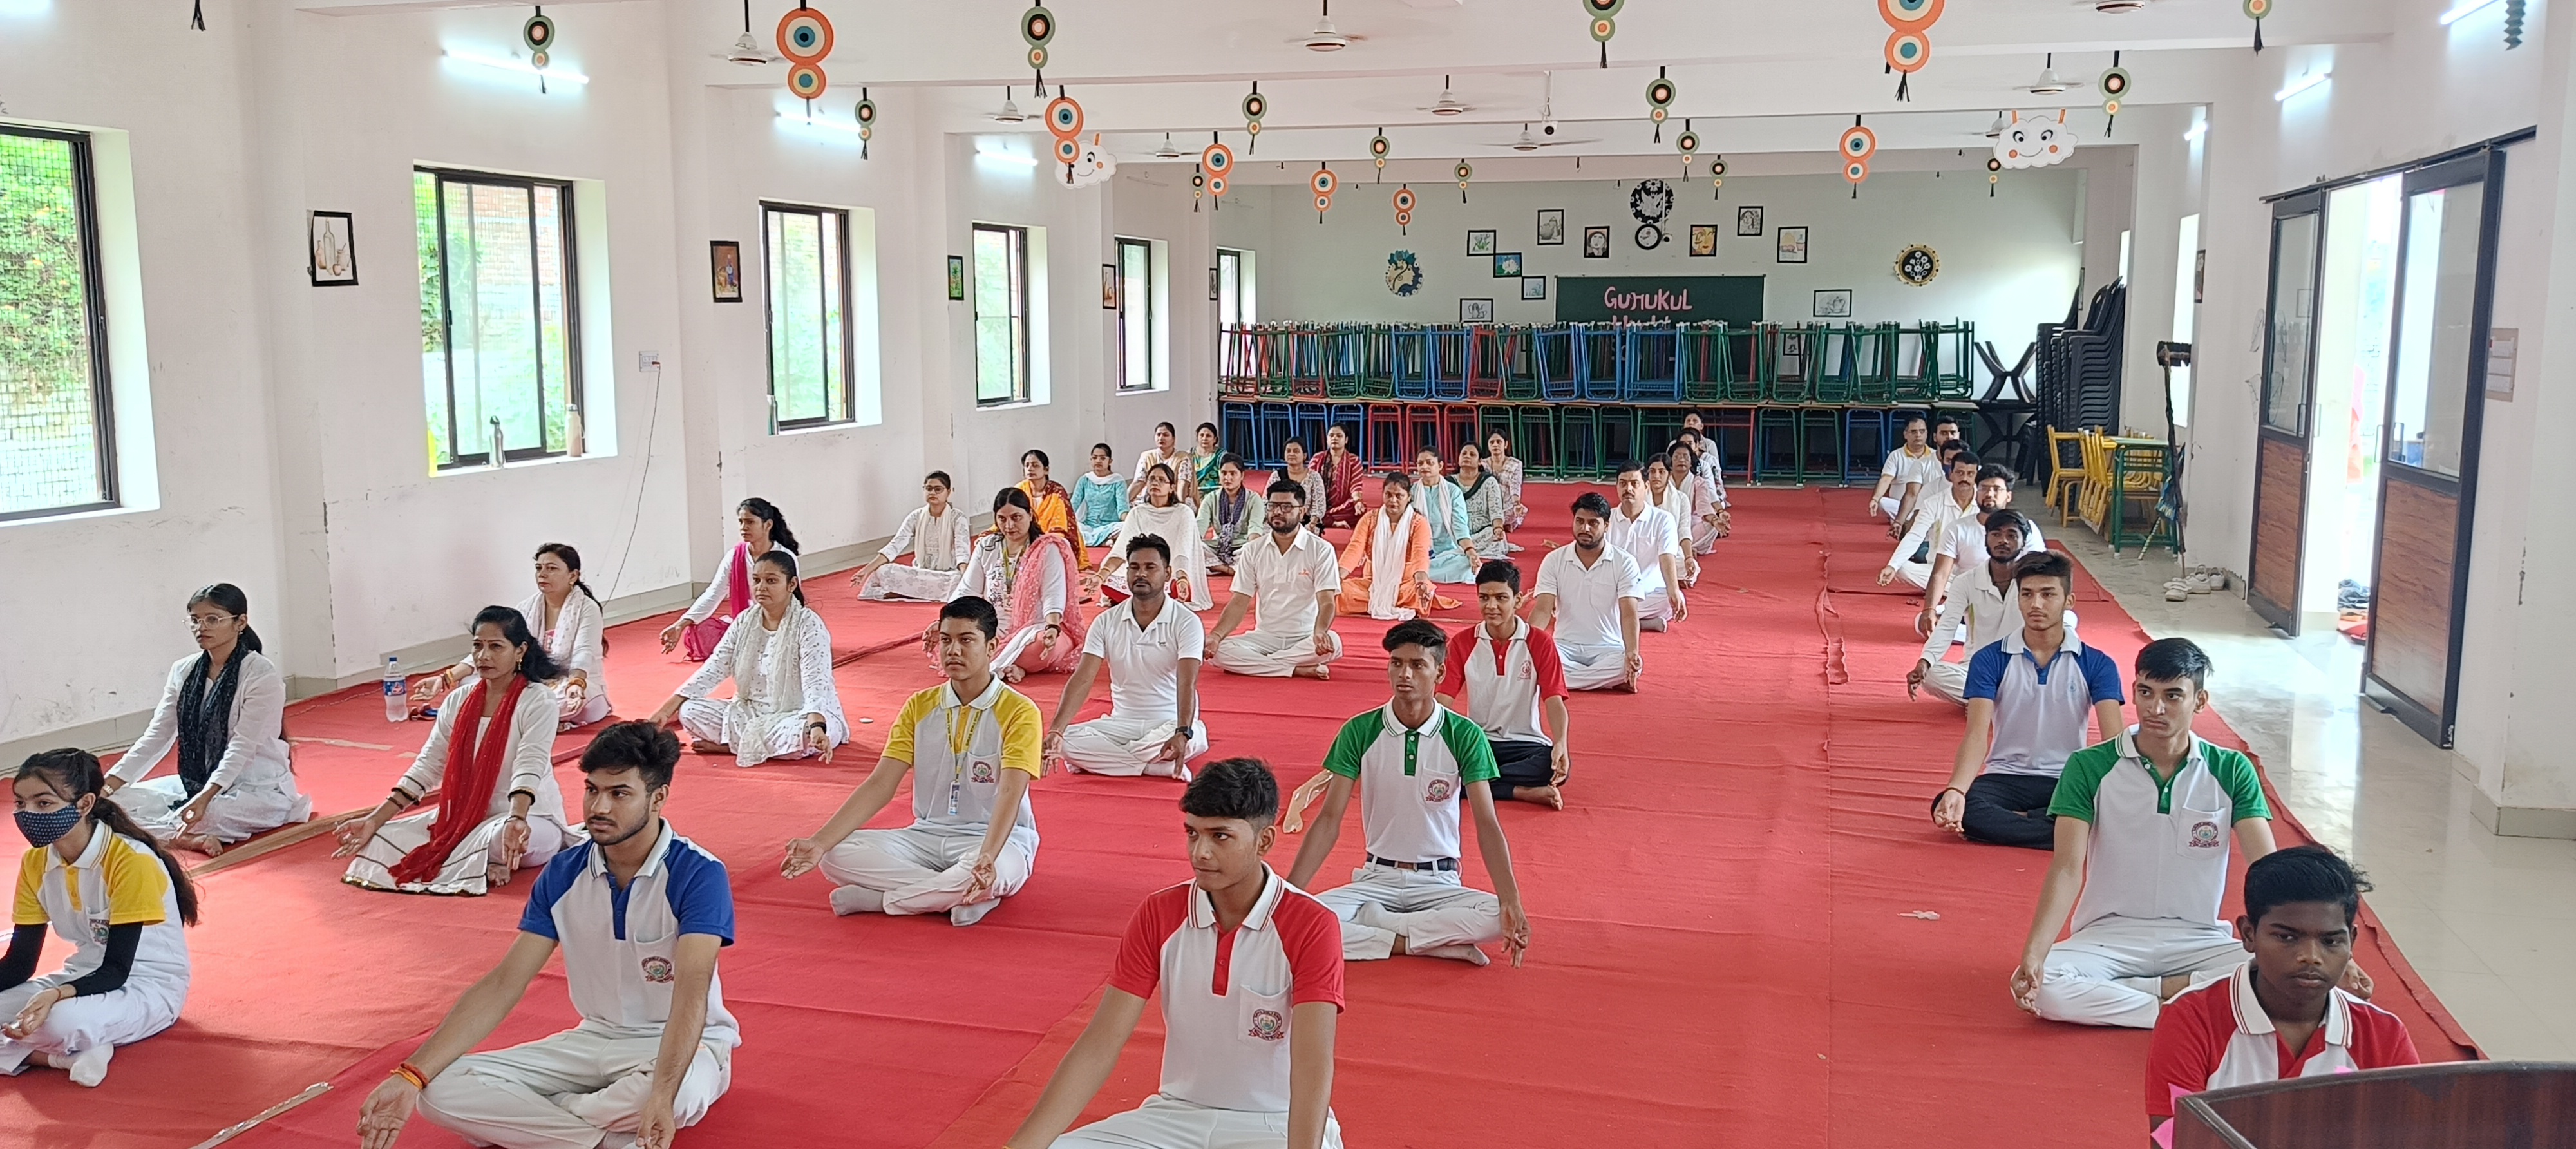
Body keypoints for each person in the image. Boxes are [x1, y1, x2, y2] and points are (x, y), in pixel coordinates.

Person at [355, 723, 739, 1149]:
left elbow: (691, 994)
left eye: (619, 794)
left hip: (680, 1045)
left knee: (679, 1095)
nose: (599, 807)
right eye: (592, 790)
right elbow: (504, 984)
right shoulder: (563, 873)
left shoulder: (699, 873)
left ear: (658, 798)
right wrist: (410, 1075)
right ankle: (604, 1141)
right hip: (593, 1039)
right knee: (439, 1090)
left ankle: (540, 1119)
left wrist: (662, 1096)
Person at [2012, 639, 2356, 1029]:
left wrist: (2336, 952)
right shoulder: (2088, 766)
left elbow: (2269, 870)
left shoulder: (2231, 769)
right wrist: (2035, 954)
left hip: (2200, 938)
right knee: (2047, 986)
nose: (2155, 708)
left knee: (2294, 978)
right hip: (2108, 936)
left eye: (2172, 696)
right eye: (2146, 692)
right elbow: (2066, 868)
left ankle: (2147, 992)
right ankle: (2181, 1008)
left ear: (2200, 701)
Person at [1003, 760, 1345, 1149]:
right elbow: (1100, 1044)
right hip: (1174, 1117)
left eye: (1220, 836)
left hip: (1273, 1124)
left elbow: (1313, 1063)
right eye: (1192, 834)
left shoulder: (1312, 924)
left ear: (1264, 841)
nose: (1201, 852)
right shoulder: (1160, 913)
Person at [784, 597, 1043, 927]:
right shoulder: (919, 706)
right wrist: (819, 842)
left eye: (966, 640)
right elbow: (881, 784)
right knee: (834, 854)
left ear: (991, 647)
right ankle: (964, 896)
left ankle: (884, 900)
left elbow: (1010, 791)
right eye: (946, 640)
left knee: (996, 870)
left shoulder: (1020, 711)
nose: (953, 651)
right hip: (925, 836)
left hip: (996, 840)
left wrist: (988, 856)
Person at [1285, 621, 1531, 967]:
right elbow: (1328, 820)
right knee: (1300, 923)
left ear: (1439, 672)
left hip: (1439, 882)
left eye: (1417, 665)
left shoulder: (1465, 735)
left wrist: (1511, 900)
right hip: (1376, 879)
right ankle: (1425, 942)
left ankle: (1382, 929)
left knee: (1495, 915)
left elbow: (1487, 824)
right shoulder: (1359, 730)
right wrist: (1290, 895)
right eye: (1396, 663)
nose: (1405, 674)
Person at [2145, 847, 2418, 1142]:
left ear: (2351, 941)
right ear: (2249, 934)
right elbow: (2174, 1141)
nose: (2310, 956)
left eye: (2330, 941)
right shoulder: (2191, 1019)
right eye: (2287, 937)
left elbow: (2415, 1137)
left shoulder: (2384, 1035)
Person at [337, 607, 576, 896]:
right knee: (384, 837)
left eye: (496, 647)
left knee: (504, 838)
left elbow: (530, 764)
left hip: (528, 817)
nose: (483, 656)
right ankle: (476, 859)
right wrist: (374, 820)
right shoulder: (459, 700)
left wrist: (516, 818)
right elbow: (428, 765)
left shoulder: (538, 700)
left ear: (520, 651)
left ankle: (484, 856)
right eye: (477, 646)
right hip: (464, 818)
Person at [0, 748, 197, 1087]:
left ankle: (60, 1047)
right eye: (21, 803)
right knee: (33, 1016)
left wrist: (56, 995)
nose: (28, 814)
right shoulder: (36, 862)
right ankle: (64, 1057)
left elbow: (117, 969)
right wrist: (56, 993)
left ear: (84, 804)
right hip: (83, 975)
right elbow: (20, 963)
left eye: (43, 803)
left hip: (145, 985)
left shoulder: (130, 862)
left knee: (57, 1023)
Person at [1929, 552, 2123, 850]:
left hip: (2067, 778)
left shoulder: (2097, 663)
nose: (2036, 605)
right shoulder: (1990, 659)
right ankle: (2065, 830)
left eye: (2048, 594)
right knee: (1953, 804)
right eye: (2027, 594)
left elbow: (2113, 743)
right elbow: (1976, 735)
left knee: (2106, 809)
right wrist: (1956, 789)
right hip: (2005, 777)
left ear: (2069, 601)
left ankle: (2020, 825)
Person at [104, 583, 313, 854]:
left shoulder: (261, 674)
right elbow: (158, 735)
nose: (201, 628)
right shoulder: (184, 670)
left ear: (240, 622)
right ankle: (179, 837)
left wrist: (205, 798)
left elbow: (242, 746)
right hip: (196, 782)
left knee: (209, 814)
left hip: (255, 788)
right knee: (111, 805)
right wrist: (107, 786)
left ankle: (172, 833)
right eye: (195, 620)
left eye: (213, 619)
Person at [647, 550, 847, 768]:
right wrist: (665, 711)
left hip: (798, 713)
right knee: (690, 712)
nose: (761, 587)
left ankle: (733, 746)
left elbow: (816, 681)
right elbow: (715, 666)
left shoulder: (808, 624)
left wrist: (816, 725)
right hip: (750, 711)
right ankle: (752, 746)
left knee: (804, 737)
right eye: (756, 580)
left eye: (771, 581)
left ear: (791, 585)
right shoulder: (745, 621)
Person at [1047, 535, 1209, 781]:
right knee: (1065, 741)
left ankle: (1111, 761)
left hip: (1169, 722)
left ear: (1167, 574)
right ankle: (1151, 767)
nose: (1141, 574)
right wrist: (1056, 731)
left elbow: (1187, 682)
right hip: (1122, 722)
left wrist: (1183, 731)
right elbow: (1083, 679)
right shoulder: (1105, 622)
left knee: (1192, 738)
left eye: (1150, 567)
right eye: (1134, 567)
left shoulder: (1187, 622)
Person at [415, 545, 614, 730]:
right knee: (469, 684)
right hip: (533, 680)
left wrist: (576, 684)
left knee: (576, 702)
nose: (543, 574)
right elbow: (493, 646)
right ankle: (529, 717)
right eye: (539, 568)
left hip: (574, 681)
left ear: (573, 575)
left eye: (552, 568)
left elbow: (583, 651)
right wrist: (445, 679)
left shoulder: (587, 609)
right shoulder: (527, 608)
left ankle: (513, 714)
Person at [1439, 561, 1571, 810]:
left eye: (1501, 598)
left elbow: (1554, 699)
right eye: (1484, 598)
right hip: (1478, 741)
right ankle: (1519, 791)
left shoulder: (1539, 642)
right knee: (1435, 764)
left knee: (1550, 765)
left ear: (1518, 600)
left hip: (1526, 743)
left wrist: (1561, 743)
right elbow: (1443, 699)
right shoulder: (1463, 642)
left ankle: (1474, 780)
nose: (1491, 606)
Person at [1911, 511, 2054, 707]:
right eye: (1996, 534)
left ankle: (1984, 702)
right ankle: (1996, 702)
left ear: (2023, 543)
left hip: (2025, 669)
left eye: (2012, 535)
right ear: (1986, 539)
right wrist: (1925, 661)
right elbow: (1947, 626)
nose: (2003, 541)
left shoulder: (2035, 582)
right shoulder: (1966, 581)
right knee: (1931, 675)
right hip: (1979, 667)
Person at [947, 488, 1090, 681]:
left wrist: (1052, 627)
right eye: (1002, 519)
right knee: (959, 639)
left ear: (1030, 515)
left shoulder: (1046, 548)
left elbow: (1053, 594)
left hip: (1038, 627)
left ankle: (1008, 664)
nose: (1009, 526)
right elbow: (968, 590)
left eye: (1016, 517)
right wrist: (946, 619)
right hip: (995, 627)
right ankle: (1016, 666)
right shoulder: (987, 546)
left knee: (1046, 646)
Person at [1209, 482, 1343, 681]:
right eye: (1273, 506)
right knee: (1219, 651)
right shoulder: (1253, 549)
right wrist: (1216, 636)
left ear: (1302, 512)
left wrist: (1320, 631)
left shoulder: (1321, 549)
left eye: (1287, 507)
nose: (1278, 512)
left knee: (1334, 643)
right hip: (1264, 637)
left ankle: (1261, 665)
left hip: (1306, 636)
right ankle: (1295, 669)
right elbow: (1239, 601)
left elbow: (1327, 601)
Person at [1529, 493, 1645, 692]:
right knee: (1533, 660)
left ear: (1607, 526)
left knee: (1626, 665)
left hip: (1608, 649)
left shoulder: (1624, 562)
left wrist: (1632, 652)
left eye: (1593, 523)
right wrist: (1526, 644)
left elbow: (1629, 613)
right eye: (1580, 521)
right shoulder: (1554, 560)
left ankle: (1557, 680)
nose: (1585, 529)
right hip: (1564, 646)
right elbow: (1542, 610)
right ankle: (1604, 681)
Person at [1918, 464, 2049, 638]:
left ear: (2008, 496)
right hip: (1973, 602)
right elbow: (1940, 574)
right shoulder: (1957, 528)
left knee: (2068, 619)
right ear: (1976, 493)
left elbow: (2039, 571)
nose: (1989, 494)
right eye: (1984, 489)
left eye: (1996, 489)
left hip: (2014, 602)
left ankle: (1990, 635)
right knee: (1924, 622)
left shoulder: (2026, 528)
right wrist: (1929, 609)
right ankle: (1996, 636)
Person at [661, 497, 798, 661]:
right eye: (741, 522)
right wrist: (680, 625)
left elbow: (793, 598)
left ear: (768, 525)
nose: (743, 528)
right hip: (747, 622)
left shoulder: (784, 557)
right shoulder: (735, 556)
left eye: (750, 522)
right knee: (701, 629)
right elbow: (714, 593)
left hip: (778, 622)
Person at [1335, 473, 1457, 620]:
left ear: (1409, 497)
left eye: (1399, 496)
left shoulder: (1418, 523)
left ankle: (1372, 604)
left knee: (1418, 593)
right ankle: (1384, 602)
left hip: (1406, 583)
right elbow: (1355, 549)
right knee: (1342, 591)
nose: (1393, 500)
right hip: (1373, 582)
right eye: (1389, 495)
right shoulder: (1369, 519)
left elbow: (1420, 555)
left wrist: (1422, 583)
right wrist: (1337, 578)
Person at [1093, 464, 1213, 611]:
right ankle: (1152, 599)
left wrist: (1182, 577)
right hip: (1142, 571)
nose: (1156, 483)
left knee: (1178, 587)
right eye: (1152, 479)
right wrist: (1101, 576)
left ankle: (1145, 598)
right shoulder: (1138, 512)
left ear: (1172, 488)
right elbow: (1121, 550)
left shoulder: (1184, 513)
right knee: (1108, 581)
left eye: (1162, 480)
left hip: (1171, 572)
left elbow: (1184, 551)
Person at [855, 471, 974, 602]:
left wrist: (966, 577)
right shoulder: (916, 516)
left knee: (956, 580)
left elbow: (962, 551)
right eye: (929, 489)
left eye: (938, 489)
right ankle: (919, 593)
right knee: (883, 570)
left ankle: (906, 592)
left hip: (947, 574)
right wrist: (866, 571)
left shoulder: (957, 518)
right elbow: (895, 545)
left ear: (948, 492)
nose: (933, 493)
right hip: (920, 573)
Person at [1879, 453, 1982, 591]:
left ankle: (1951, 591)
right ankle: (1963, 593)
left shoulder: (1984, 504)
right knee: (1901, 568)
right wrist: (1893, 565)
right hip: (1937, 569)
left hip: (1973, 571)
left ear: (1977, 476)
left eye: (1970, 474)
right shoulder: (1933, 503)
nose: (1965, 479)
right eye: (1960, 473)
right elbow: (1915, 535)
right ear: (1951, 474)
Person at [1606, 462, 1687, 631]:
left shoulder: (1663, 519)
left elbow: (1667, 556)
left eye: (1634, 484)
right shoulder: (1607, 519)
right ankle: (1640, 623)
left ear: (1646, 487)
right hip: (1613, 593)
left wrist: (1673, 589)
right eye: (1623, 484)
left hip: (1647, 594)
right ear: (1617, 487)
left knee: (1672, 599)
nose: (1628, 489)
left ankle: (1614, 622)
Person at [1020, 449, 1097, 574]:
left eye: (1035, 465)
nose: (1030, 469)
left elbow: (1060, 527)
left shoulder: (1057, 492)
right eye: (1027, 465)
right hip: (1025, 536)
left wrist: (1042, 541)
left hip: (1052, 537)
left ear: (1046, 470)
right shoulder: (1019, 490)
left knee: (1056, 545)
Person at [1412, 450, 1479, 584]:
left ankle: (1419, 573)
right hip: (1418, 552)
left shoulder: (1453, 492)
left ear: (1440, 465)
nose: (1424, 467)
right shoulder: (1410, 492)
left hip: (1447, 553)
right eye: (1420, 463)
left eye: (1429, 463)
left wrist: (1471, 552)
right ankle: (1420, 571)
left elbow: (1460, 527)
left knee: (1465, 563)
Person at [1871, 415, 1939, 534]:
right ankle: (1909, 519)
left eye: (1922, 431)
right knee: (1882, 502)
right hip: (1901, 506)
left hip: (1926, 507)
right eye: (1914, 432)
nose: (1918, 435)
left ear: (1927, 434)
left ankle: (1906, 520)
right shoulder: (1896, 456)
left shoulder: (1936, 456)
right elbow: (1886, 479)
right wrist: (1875, 499)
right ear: (1905, 434)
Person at [1197, 455, 1260, 574]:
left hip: (1242, 547)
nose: (1228, 478)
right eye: (1224, 473)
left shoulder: (1253, 499)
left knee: (1256, 549)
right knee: (1195, 546)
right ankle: (1226, 569)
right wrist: (1193, 543)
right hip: (1218, 546)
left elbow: (1255, 528)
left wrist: (1253, 549)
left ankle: (1215, 566)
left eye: (1233, 474)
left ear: (1242, 475)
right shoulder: (1211, 498)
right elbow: (1200, 525)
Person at [1667, 440, 1728, 556]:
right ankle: (1684, 549)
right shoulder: (1664, 481)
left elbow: (1704, 506)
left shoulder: (1698, 482)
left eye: (1686, 457)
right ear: (1670, 462)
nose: (1682, 460)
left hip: (1691, 526)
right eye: (1677, 457)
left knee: (1712, 526)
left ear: (1691, 463)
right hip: (1667, 526)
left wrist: (1715, 520)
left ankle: (1686, 548)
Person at [1644, 455, 1697, 587]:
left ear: (1669, 474)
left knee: (1689, 566)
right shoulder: (1640, 497)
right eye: (1652, 471)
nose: (1656, 476)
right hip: (1643, 549)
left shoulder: (1681, 499)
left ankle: (1666, 576)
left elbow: (1684, 530)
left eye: (1661, 472)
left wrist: (1689, 557)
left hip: (1669, 550)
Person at [1457, 442, 1516, 560]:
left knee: (1493, 535)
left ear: (1480, 461)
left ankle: (1465, 549)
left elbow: (1496, 510)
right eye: (1464, 454)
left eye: (1472, 455)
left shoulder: (1488, 481)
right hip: (1458, 531)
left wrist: (1498, 528)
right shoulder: (1448, 483)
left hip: (1483, 533)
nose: (1467, 456)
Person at [1072, 444, 1132, 548]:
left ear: (1110, 461)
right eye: (1095, 458)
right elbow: (1073, 505)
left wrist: (1129, 522)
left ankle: (1097, 541)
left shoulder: (1118, 481)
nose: (1098, 461)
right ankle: (1104, 541)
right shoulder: (1085, 480)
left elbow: (1122, 508)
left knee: (1124, 528)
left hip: (1111, 526)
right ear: (1091, 460)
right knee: (1072, 528)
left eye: (1103, 458)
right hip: (1089, 527)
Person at [1317, 425, 1366, 529]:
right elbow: (1310, 485)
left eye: (1339, 436)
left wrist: (1357, 502)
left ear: (1346, 440)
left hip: (1342, 507)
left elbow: (1356, 485)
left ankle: (1322, 519)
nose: (1334, 438)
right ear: (1327, 439)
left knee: (1359, 511)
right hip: (1318, 503)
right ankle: (1330, 521)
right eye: (1331, 436)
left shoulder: (1354, 460)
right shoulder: (1317, 459)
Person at [1278, 438, 1328, 529]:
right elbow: (1266, 502)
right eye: (1288, 451)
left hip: (1306, 522)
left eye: (1296, 451)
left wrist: (1312, 523)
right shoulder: (1276, 476)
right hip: (1281, 520)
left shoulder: (1314, 477)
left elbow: (1319, 506)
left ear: (1304, 456)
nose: (1291, 454)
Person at [1132, 422, 1187, 502]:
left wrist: (1180, 505)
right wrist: (1123, 503)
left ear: (1174, 439)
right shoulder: (1146, 456)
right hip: (1149, 498)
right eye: (1158, 435)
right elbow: (1138, 482)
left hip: (1173, 498)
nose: (1161, 438)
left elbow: (1182, 484)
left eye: (1166, 435)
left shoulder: (1183, 457)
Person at [1484, 430, 1528, 532]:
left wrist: (1516, 503)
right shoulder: (1483, 464)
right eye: (1492, 442)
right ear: (1488, 446)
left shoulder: (1516, 464)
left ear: (1506, 445)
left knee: (1515, 511)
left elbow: (1515, 485)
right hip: (1489, 505)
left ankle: (1499, 523)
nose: (1495, 445)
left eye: (1499, 442)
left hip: (1507, 505)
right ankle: (1500, 524)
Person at [1186, 423, 1226, 506]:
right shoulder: (1189, 455)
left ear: (1215, 439)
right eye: (1202, 435)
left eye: (1208, 436)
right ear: (1197, 438)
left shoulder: (1221, 456)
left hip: (1215, 494)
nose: (1204, 438)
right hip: (1192, 494)